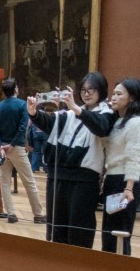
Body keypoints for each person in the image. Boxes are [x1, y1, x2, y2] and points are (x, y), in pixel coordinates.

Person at [28, 71, 113, 248]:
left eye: (91, 89)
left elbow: (101, 127)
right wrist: (33, 112)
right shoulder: (70, 113)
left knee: (79, 228)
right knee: (57, 226)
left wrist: (76, 108)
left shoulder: (106, 113)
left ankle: (78, 261)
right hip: (58, 176)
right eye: (83, 90)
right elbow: (50, 122)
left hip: (84, 180)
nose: (86, 94)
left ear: (101, 90)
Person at [0, 78, 45, 224]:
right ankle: (38, 214)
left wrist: (1, 145)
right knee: (29, 181)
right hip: (16, 148)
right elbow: (22, 128)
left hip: (2, 150)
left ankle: (11, 214)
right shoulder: (22, 104)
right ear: (15, 89)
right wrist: (12, 145)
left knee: (5, 183)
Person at [100, 78, 140, 254]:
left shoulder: (135, 123)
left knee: (120, 233)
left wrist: (129, 188)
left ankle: (120, 268)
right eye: (113, 93)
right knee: (109, 233)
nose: (113, 97)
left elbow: (135, 156)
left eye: (119, 94)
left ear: (131, 98)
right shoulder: (117, 121)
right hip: (112, 179)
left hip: (124, 182)